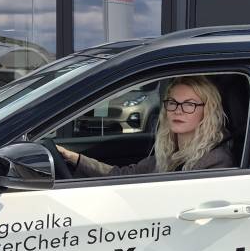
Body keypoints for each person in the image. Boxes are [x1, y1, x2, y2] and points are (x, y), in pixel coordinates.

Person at [58, 75, 234, 177]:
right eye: (172, 103)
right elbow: (123, 176)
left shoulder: (215, 160)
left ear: (207, 111)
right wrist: (74, 158)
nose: (178, 110)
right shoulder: (169, 154)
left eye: (189, 104)